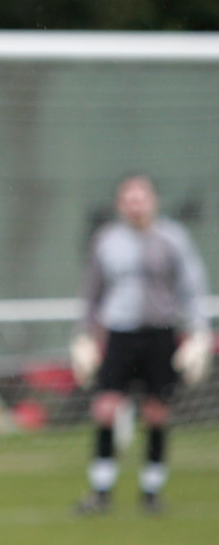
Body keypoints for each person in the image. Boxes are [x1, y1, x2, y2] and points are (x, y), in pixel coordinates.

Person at [71, 173, 213, 515]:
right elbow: (93, 292)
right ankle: (101, 490)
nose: (136, 204)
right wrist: (84, 335)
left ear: (153, 201)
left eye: (141, 197)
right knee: (105, 407)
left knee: (156, 412)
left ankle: (151, 491)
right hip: (120, 334)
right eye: (129, 198)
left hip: (160, 333)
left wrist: (199, 333)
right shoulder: (106, 241)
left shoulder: (173, 238)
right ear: (121, 204)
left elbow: (192, 289)